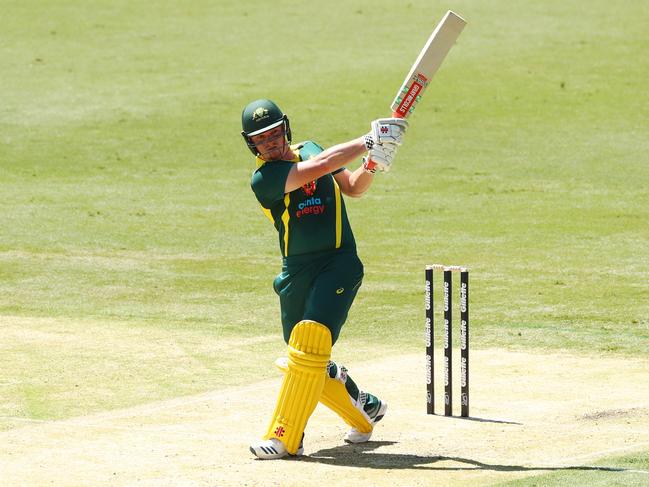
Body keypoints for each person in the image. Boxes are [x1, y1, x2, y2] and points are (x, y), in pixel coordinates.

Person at [241, 99, 407, 460]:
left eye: (274, 134)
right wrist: (369, 139)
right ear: (251, 144)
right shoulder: (264, 179)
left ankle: (285, 436)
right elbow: (319, 167)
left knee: (311, 342)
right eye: (261, 138)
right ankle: (365, 407)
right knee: (303, 359)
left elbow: (353, 187)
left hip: (338, 262)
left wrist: (373, 163)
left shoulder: (312, 148)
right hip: (296, 270)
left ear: (286, 128)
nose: (270, 142)